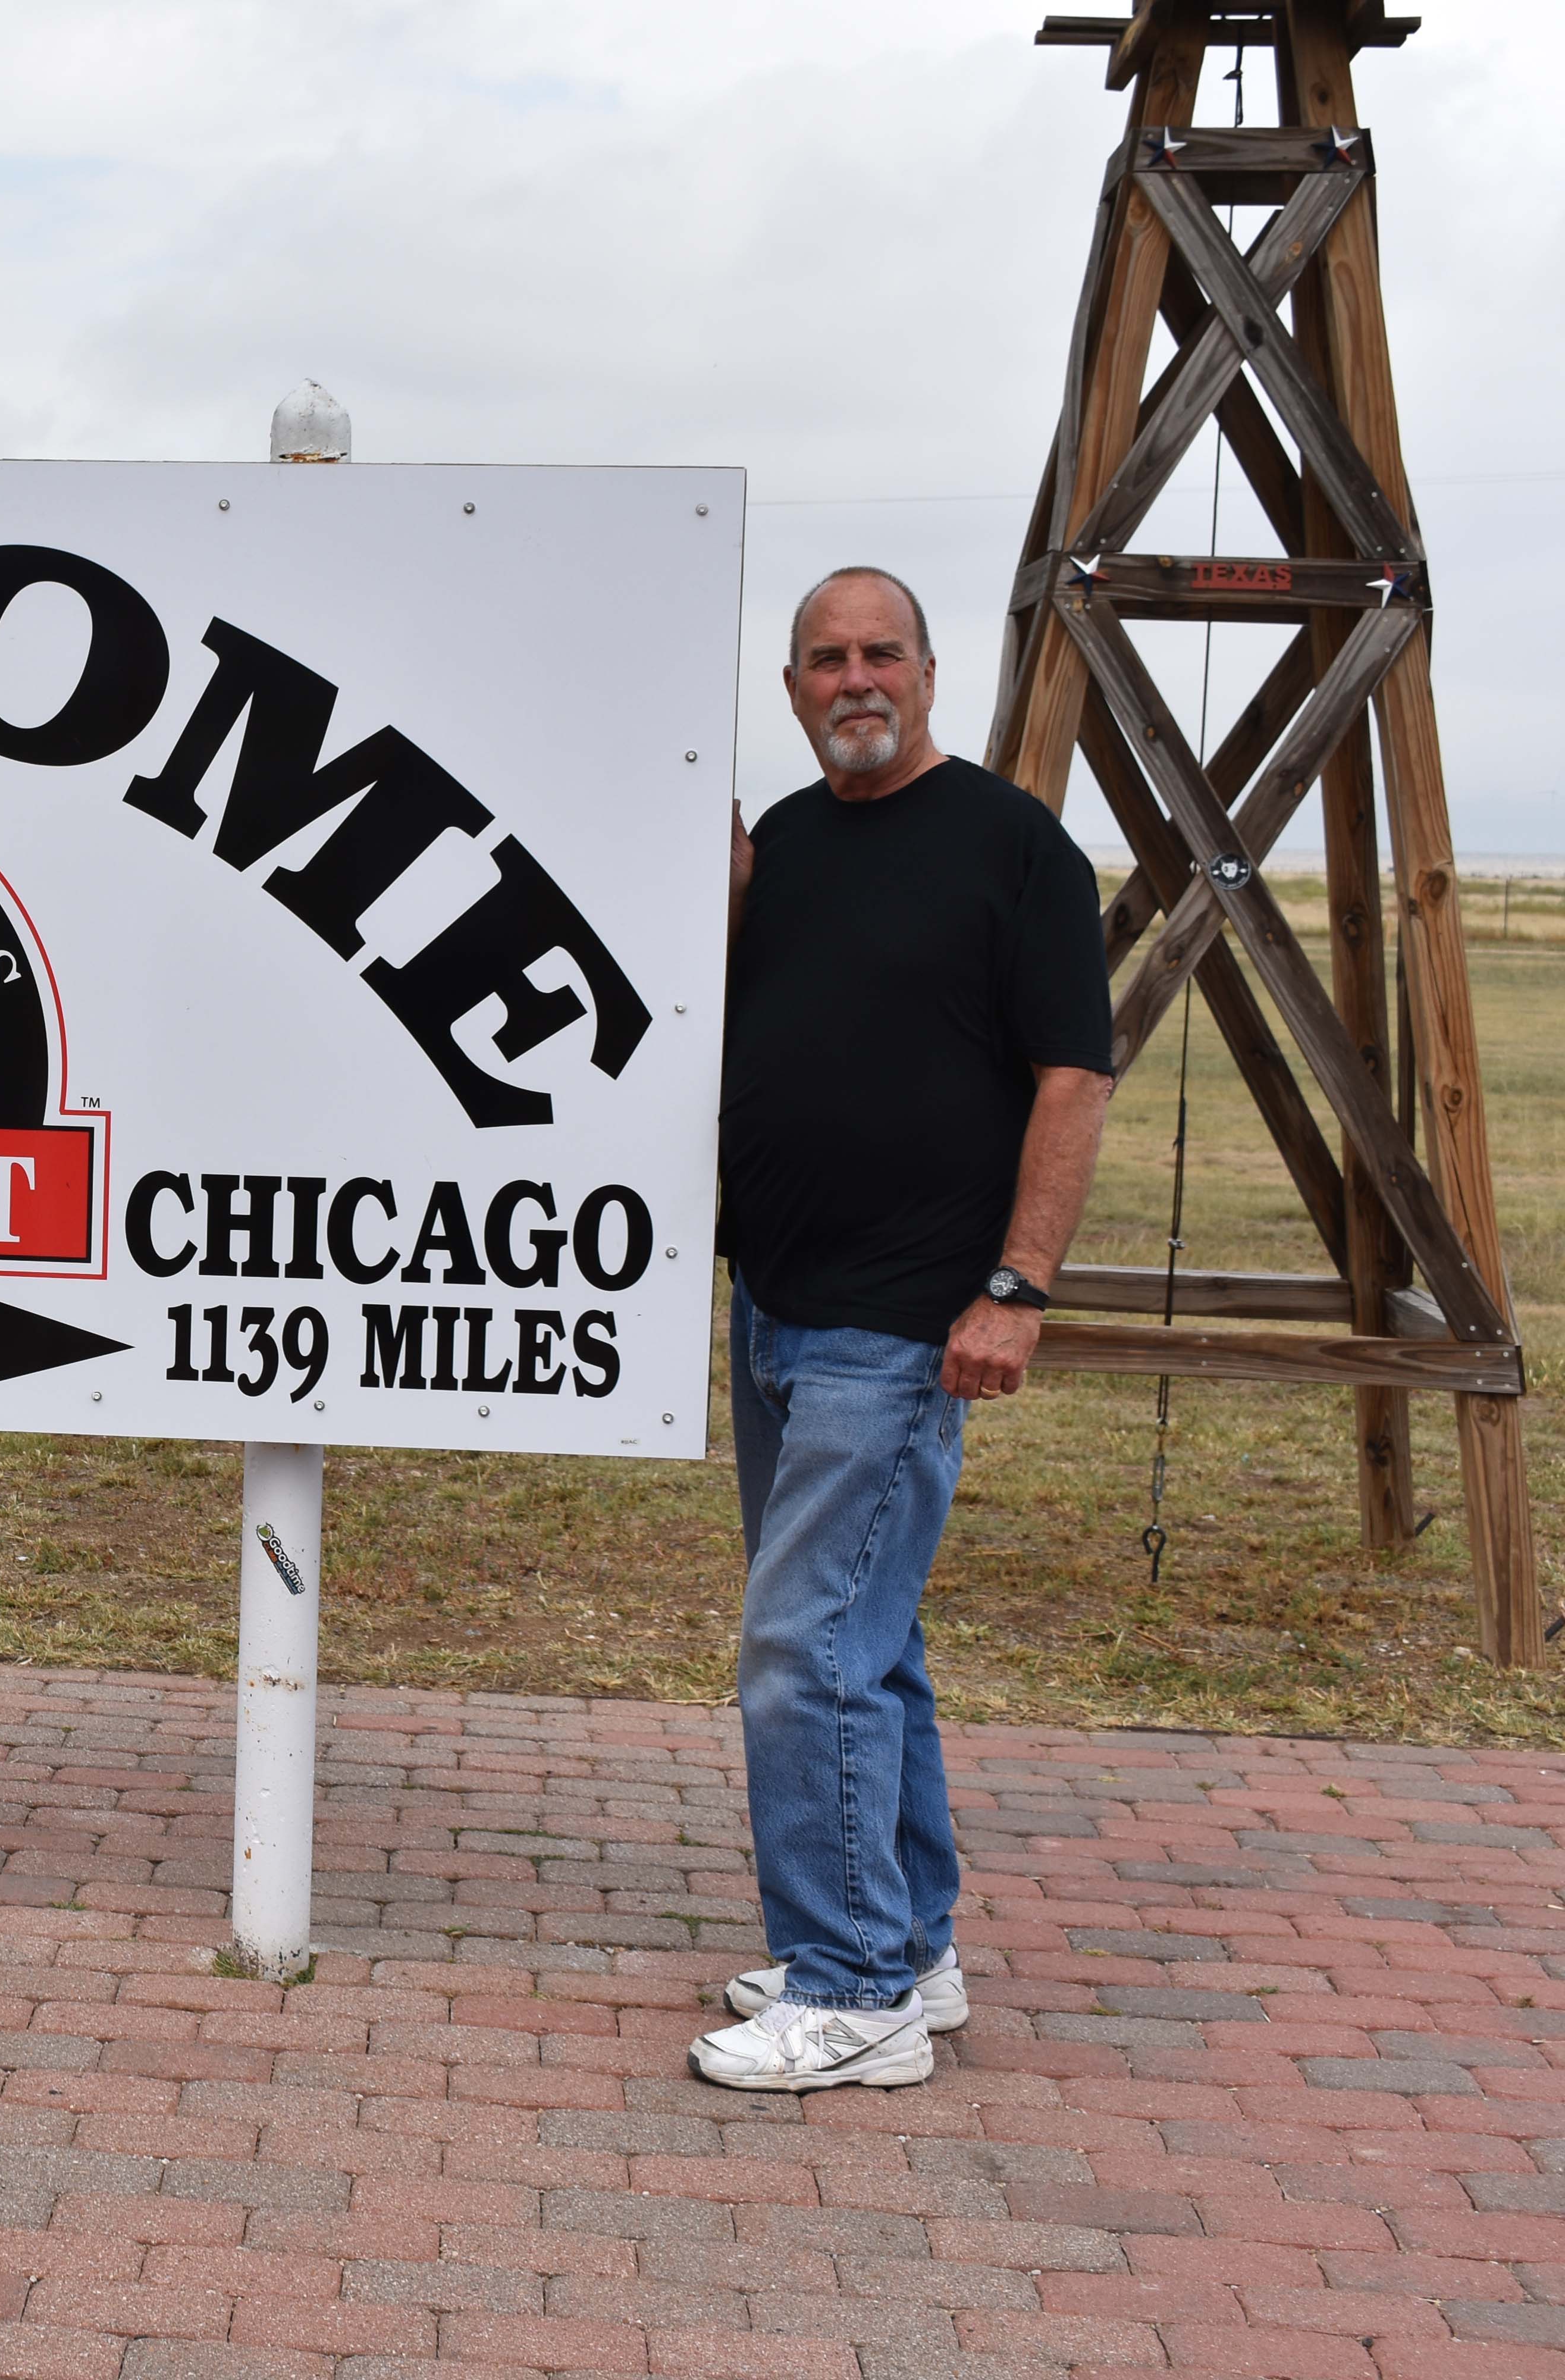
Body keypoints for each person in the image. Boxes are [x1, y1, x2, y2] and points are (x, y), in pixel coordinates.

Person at [688, 566, 1112, 2092]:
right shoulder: (788, 846)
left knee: (804, 1648)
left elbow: (1074, 1078)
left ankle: (848, 1983)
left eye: (881, 654)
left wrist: (1018, 1286)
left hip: (905, 1321)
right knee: (870, 1641)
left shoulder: (1015, 849)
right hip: (779, 1303)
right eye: (825, 659)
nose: (854, 679)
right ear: (793, 688)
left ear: (931, 673)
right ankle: (910, 1945)